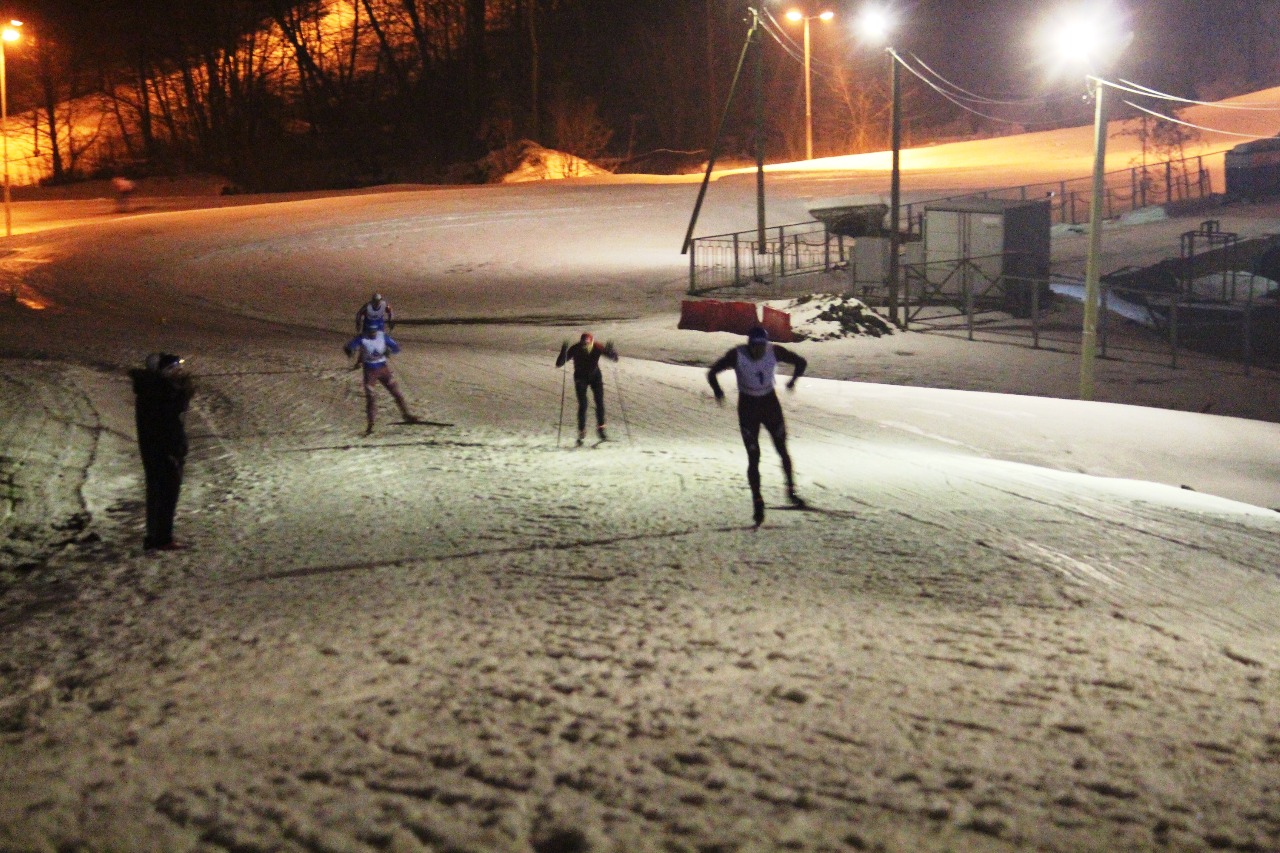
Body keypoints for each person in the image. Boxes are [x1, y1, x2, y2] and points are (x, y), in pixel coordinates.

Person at [707, 326, 807, 526]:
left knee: (782, 450)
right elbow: (712, 373)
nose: (758, 351)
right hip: (748, 408)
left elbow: (801, 362)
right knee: (754, 457)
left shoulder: (774, 351)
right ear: (749, 344)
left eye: (761, 347)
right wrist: (718, 391)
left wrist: (793, 381)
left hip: (769, 405)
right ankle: (758, 501)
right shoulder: (737, 354)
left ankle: (791, 492)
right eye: (754, 347)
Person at [129, 352, 195, 552]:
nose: (179, 372)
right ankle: (161, 538)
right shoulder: (159, 391)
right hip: (163, 449)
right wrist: (184, 390)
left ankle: (156, 536)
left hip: (160, 448)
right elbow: (171, 414)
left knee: (161, 493)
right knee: (165, 494)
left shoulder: (155, 389)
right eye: (175, 369)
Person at [344, 327, 418, 435]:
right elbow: (349, 347)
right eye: (370, 332)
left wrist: (389, 350)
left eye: (374, 331)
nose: (373, 334)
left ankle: (406, 415)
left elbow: (396, 348)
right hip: (370, 372)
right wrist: (350, 351)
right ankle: (370, 426)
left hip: (384, 370)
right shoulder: (362, 338)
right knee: (371, 399)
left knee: (396, 392)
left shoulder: (382, 336)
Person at [556, 332, 619, 445]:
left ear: (592, 341)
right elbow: (559, 363)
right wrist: (563, 352)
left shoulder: (597, 346)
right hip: (581, 378)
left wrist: (611, 351)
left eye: (588, 343)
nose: (585, 345)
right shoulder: (575, 348)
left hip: (595, 377)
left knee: (599, 402)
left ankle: (601, 429)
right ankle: (582, 431)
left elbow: (614, 358)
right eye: (584, 344)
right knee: (583, 404)